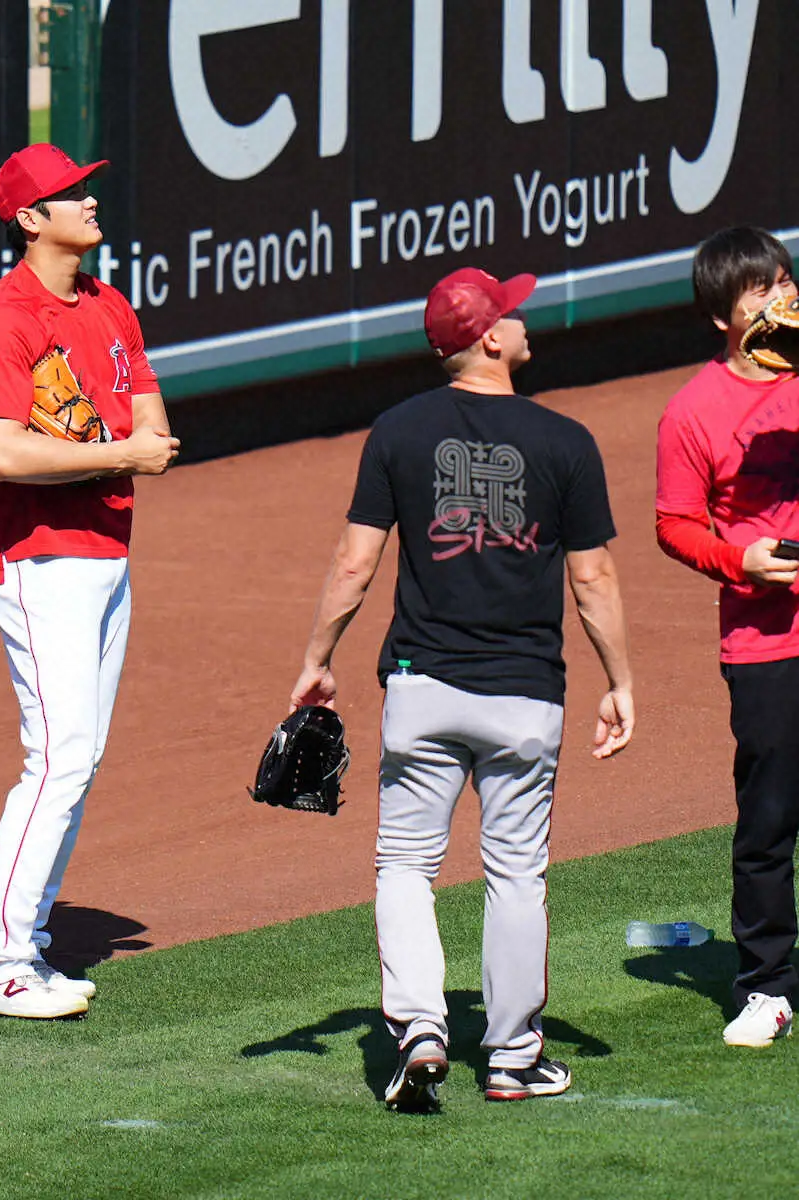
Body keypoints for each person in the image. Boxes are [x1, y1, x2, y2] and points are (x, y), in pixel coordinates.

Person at [290, 267, 634, 1109]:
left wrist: (317, 657)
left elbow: (354, 560)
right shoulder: (565, 441)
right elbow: (590, 580)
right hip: (523, 696)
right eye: (512, 313)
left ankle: (420, 1028)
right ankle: (513, 1058)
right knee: (516, 873)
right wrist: (619, 681)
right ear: (488, 337)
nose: (525, 322)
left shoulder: (397, 431)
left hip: (421, 688)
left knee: (404, 865)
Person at [0, 143, 180, 1020]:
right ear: (28, 219)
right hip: (37, 556)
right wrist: (118, 452)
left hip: (104, 552)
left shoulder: (110, 305)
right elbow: (4, 452)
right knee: (58, 759)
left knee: (76, 760)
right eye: (70, 193)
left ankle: (27, 945)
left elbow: (150, 419)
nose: (89, 201)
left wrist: (127, 449)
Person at [656, 225, 799, 1049]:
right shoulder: (692, 412)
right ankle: (766, 986)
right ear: (722, 314)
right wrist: (737, 559)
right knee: (769, 818)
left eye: (781, 280)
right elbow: (675, 525)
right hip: (764, 640)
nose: (776, 295)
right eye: (757, 289)